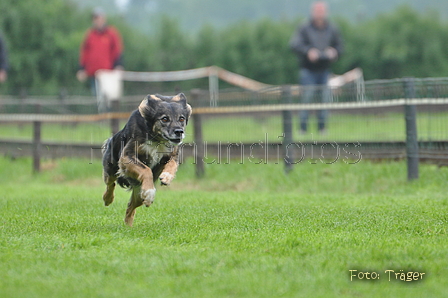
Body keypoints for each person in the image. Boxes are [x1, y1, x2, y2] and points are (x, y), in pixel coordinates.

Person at [289, 1, 343, 134]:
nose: (320, 14)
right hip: (308, 70)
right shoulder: (304, 27)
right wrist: (308, 51)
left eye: (322, 11)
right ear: (313, 12)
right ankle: (303, 129)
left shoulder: (332, 28)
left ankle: (322, 128)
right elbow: (294, 44)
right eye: (317, 11)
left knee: (324, 99)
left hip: (325, 70)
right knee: (307, 98)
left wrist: (334, 52)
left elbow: (340, 46)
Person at [77, 7, 123, 95]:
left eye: (99, 18)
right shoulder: (90, 35)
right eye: (95, 18)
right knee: (97, 99)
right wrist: (82, 69)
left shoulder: (111, 34)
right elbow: (84, 53)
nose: (97, 21)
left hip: (107, 74)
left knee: (109, 98)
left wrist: (118, 64)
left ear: (104, 19)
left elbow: (117, 50)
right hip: (94, 74)